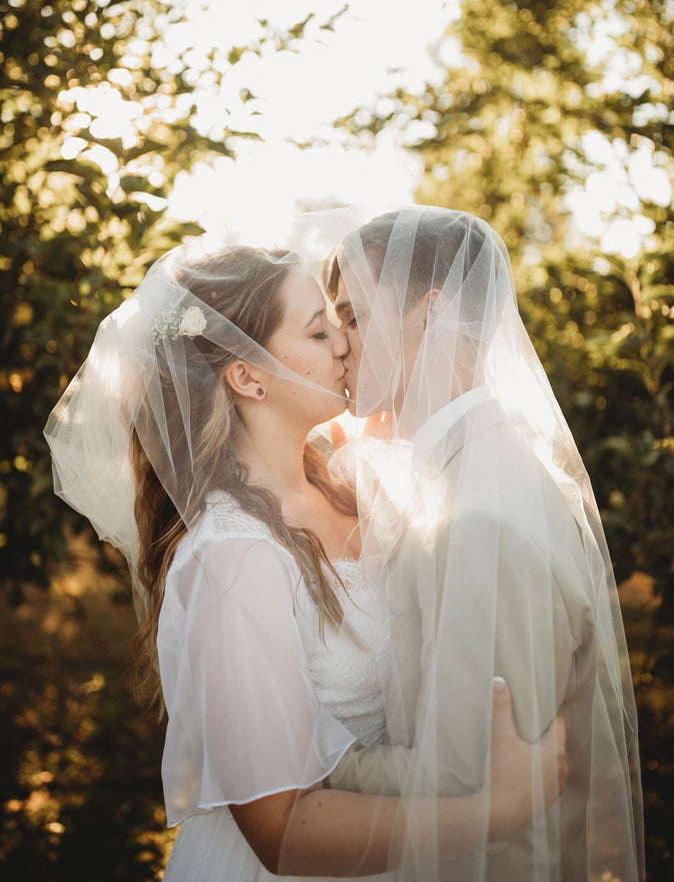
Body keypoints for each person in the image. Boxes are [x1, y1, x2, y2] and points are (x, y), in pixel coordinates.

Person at [45, 235, 568, 881]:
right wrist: (498, 810)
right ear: (246, 376)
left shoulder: (362, 487)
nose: (348, 344)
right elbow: (280, 829)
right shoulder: (232, 560)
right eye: (321, 332)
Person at [323, 207, 645, 882]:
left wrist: (301, 752)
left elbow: (462, 772)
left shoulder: (479, 519)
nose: (337, 344)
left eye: (353, 316)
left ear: (432, 311)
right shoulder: (476, 471)